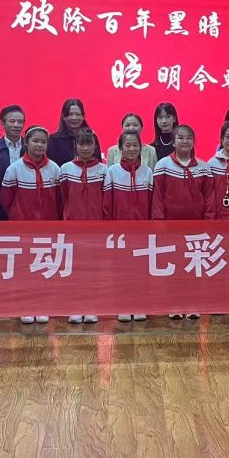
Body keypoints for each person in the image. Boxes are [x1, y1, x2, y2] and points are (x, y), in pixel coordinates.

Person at [1, 125, 60, 326]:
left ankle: (43, 305)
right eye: (35, 141)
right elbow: (6, 199)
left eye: (43, 142)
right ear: (26, 142)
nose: (39, 145)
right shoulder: (14, 169)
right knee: (24, 268)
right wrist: (18, 217)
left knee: (45, 267)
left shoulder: (54, 169)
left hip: (48, 229)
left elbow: (60, 199)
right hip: (23, 230)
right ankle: (25, 306)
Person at [153, 124, 211, 319]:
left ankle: (193, 303)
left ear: (194, 142)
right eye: (180, 137)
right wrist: (159, 222)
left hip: (197, 228)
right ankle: (174, 303)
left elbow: (209, 197)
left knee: (194, 265)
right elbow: (157, 197)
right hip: (171, 227)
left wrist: (208, 221)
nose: (185, 141)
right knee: (174, 265)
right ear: (173, 142)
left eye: (188, 138)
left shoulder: (203, 167)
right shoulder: (163, 165)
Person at [103, 131, 152, 324]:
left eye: (135, 145)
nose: (132, 149)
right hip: (119, 232)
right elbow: (107, 203)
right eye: (128, 145)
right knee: (121, 269)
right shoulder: (112, 172)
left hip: (141, 231)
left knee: (140, 269)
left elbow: (151, 203)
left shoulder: (147, 172)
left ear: (141, 147)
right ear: (120, 148)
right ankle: (122, 305)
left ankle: (139, 304)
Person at [59, 127, 104, 326]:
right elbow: (62, 197)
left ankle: (92, 306)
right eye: (81, 144)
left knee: (94, 269)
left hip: (97, 228)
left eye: (89, 144)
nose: (85, 148)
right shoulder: (65, 169)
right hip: (72, 228)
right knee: (74, 268)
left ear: (95, 146)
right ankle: (74, 306)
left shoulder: (104, 170)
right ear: (75, 146)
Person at [0, 104, 25, 220]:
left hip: (26, 207)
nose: (16, 125)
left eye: (20, 122)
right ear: (2, 123)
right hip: (0, 208)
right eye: (12, 121)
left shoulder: (30, 148)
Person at [47, 98, 102, 166]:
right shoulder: (53, 139)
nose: (74, 118)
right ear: (63, 116)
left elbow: (98, 164)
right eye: (70, 114)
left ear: (83, 116)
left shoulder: (92, 137)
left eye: (78, 114)